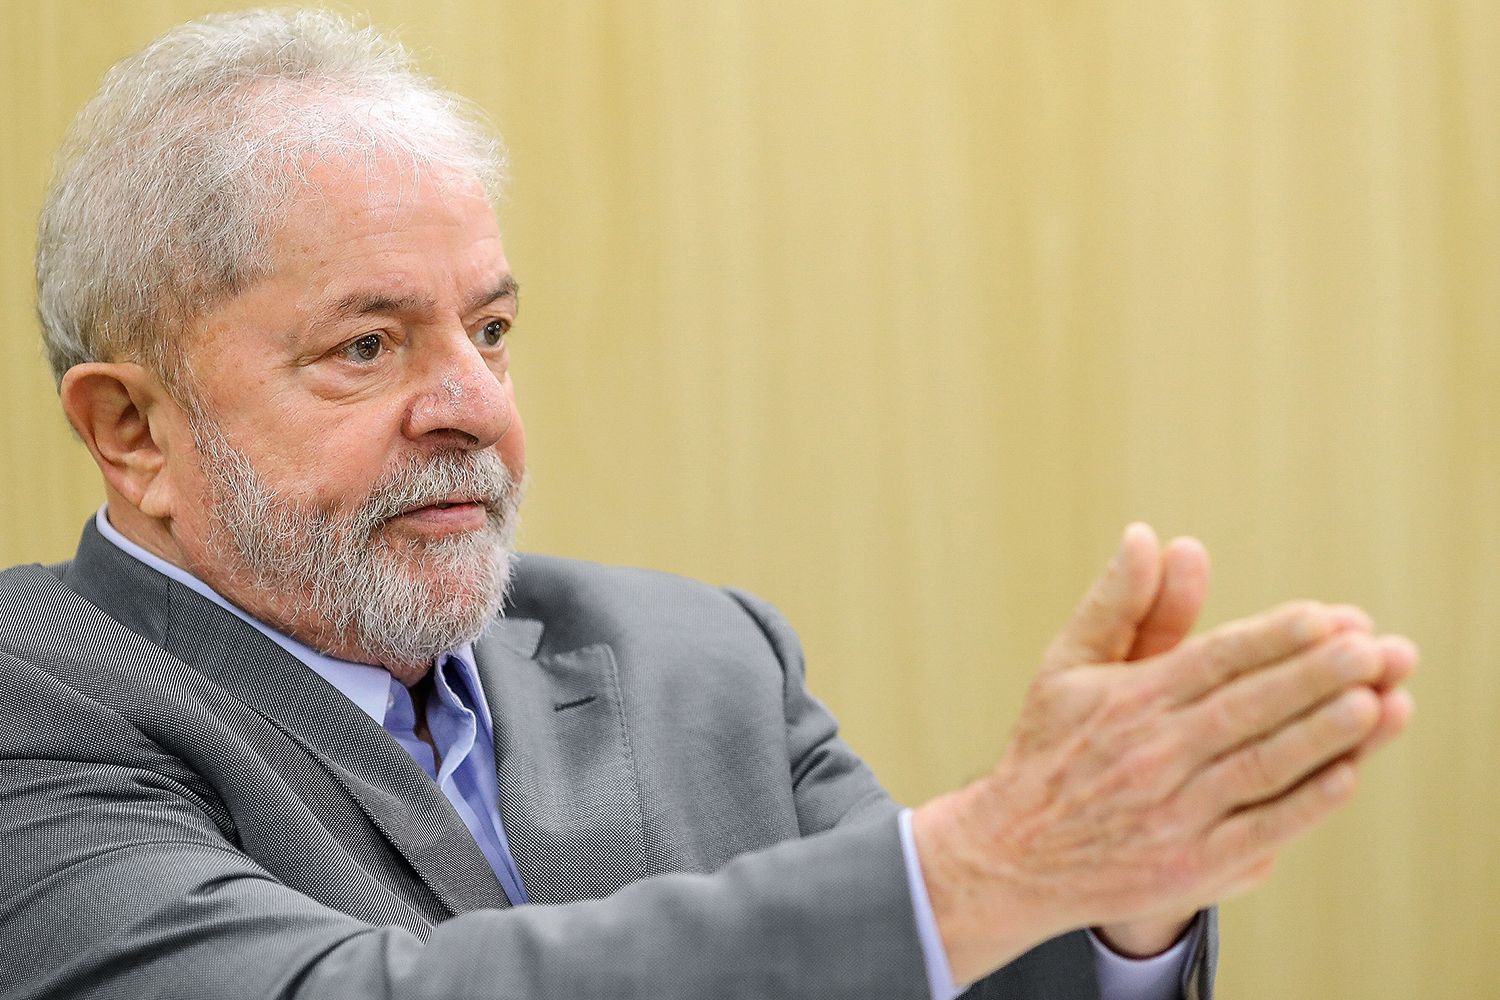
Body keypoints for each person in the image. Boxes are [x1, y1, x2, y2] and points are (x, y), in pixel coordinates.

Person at [0, 9, 1415, 1000]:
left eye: (489, 331)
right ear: (133, 431)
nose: (475, 406)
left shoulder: (703, 660)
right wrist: (993, 860)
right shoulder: (36, 696)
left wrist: (1118, 899)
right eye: (366, 346)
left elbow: (939, 962)